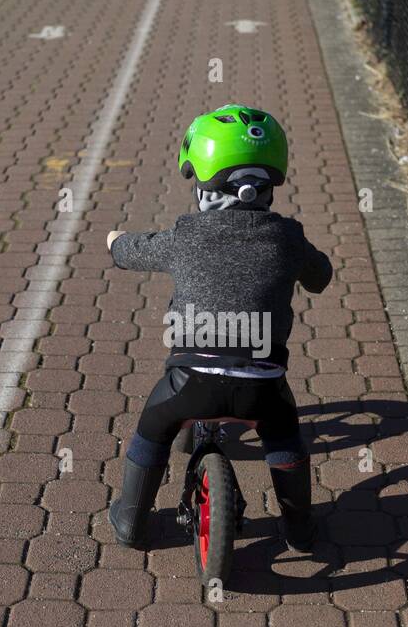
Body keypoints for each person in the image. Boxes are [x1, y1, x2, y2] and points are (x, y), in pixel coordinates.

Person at [106, 104, 333, 551]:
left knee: (153, 427)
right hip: (262, 385)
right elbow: (321, 278)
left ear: (206, 183)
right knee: (284, 434)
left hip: (191, 379)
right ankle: (300, 529)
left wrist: (115, 242)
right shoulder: (288, 237)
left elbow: (133, 251)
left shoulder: (186, 234)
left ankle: (131, 521)